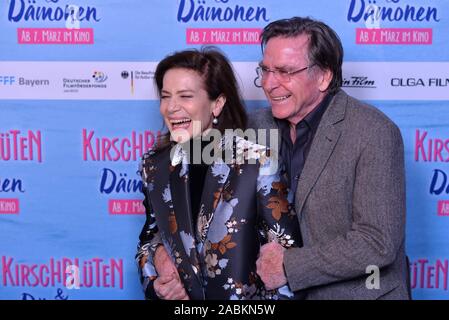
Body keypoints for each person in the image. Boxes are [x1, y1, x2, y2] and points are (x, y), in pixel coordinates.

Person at [251, 17, 410, 300]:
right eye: (265, 70)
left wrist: (289, 265)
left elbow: (377, 243)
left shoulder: (374, 132)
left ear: (324, 76)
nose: (269, 84)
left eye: (285, 72)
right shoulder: (253, 127)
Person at [135, 47, 303, 300]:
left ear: (217, 104)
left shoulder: (257, 161)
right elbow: (148, 240)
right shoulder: (154, 166)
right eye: (166, 96)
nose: (171, 108)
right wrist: (157, 280)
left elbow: (286, 263)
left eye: (185, 96)